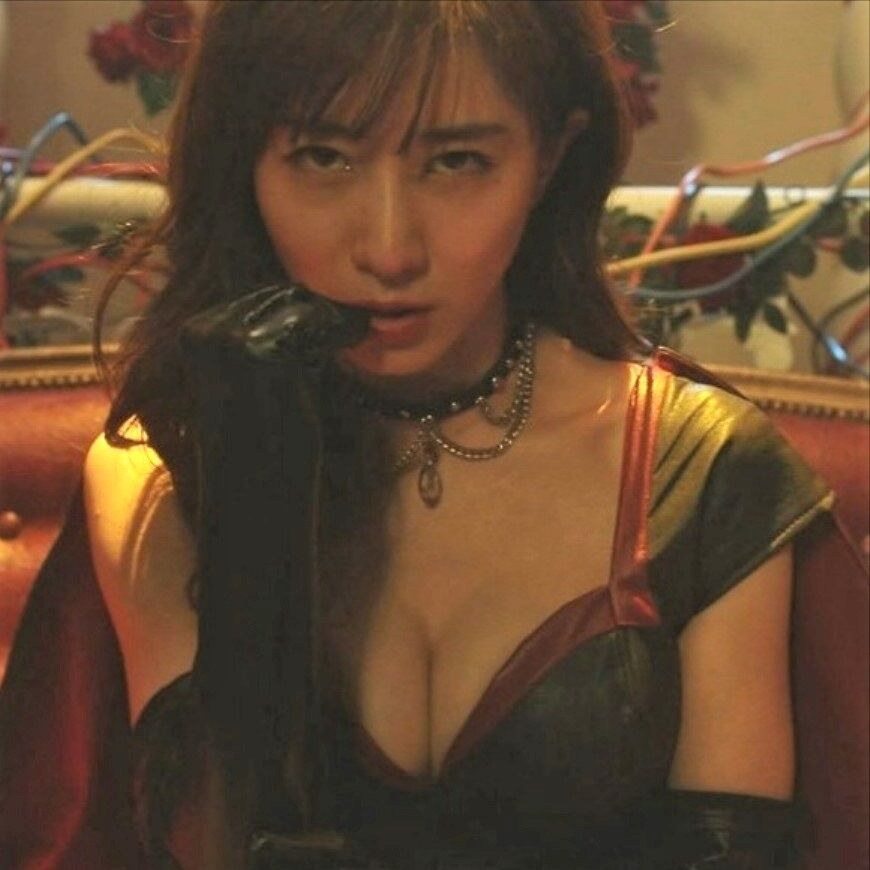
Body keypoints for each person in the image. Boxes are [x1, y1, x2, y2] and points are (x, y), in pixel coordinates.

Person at [0, 2, 839, 868]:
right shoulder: (163, 465)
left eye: (457, 162)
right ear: (243, 156)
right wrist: (253, 504)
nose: (390, 248)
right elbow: (213, 847)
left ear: (551, 158)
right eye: (323, 157)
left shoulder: (697, 468)